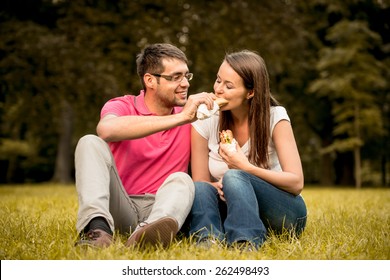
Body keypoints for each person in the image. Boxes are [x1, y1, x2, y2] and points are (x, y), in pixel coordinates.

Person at [74, 43, 215, 248]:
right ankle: (98, 231)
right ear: (150, 80)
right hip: (121, 205)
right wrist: (182, 118)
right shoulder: (122, 105)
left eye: (186, 76)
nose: (185, 83)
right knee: (89, 142)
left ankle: (148, 235)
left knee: (182, 179)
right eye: (175, 77)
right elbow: (106, 130)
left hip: (164, 208)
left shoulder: (194, 117)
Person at [189, 50, 307, 250]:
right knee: (200, 188)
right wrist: (214, 185)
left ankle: (246, 242)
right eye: (218, 80)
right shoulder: (206, 120)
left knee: (234, 176)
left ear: (250, 92)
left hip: (284, 212)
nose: (218, 89)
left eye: (228, 86)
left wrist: (244, 167)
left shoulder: (275, 118)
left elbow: (296, 183)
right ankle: (207, 239)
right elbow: (200, 181)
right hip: (231, 209)